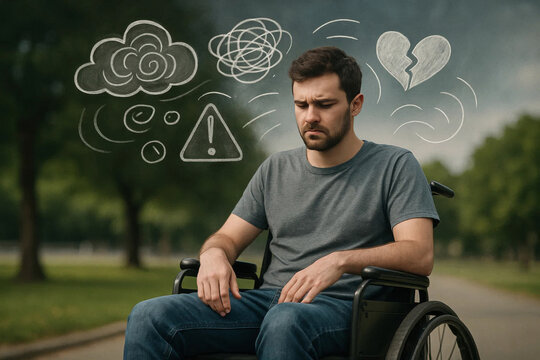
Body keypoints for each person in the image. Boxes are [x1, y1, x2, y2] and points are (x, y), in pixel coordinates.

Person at [123, 46, 439, 359]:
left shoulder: (395, 165)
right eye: (301, 105)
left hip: (351, 308)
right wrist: (215, 255)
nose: (310, 116)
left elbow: (419, 253)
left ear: (355, 104)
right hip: (268, 302)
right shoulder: (276, 168)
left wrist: (338, 261)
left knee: (285, 321)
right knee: (149, 316)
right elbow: (228, 237)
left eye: (324, 104)